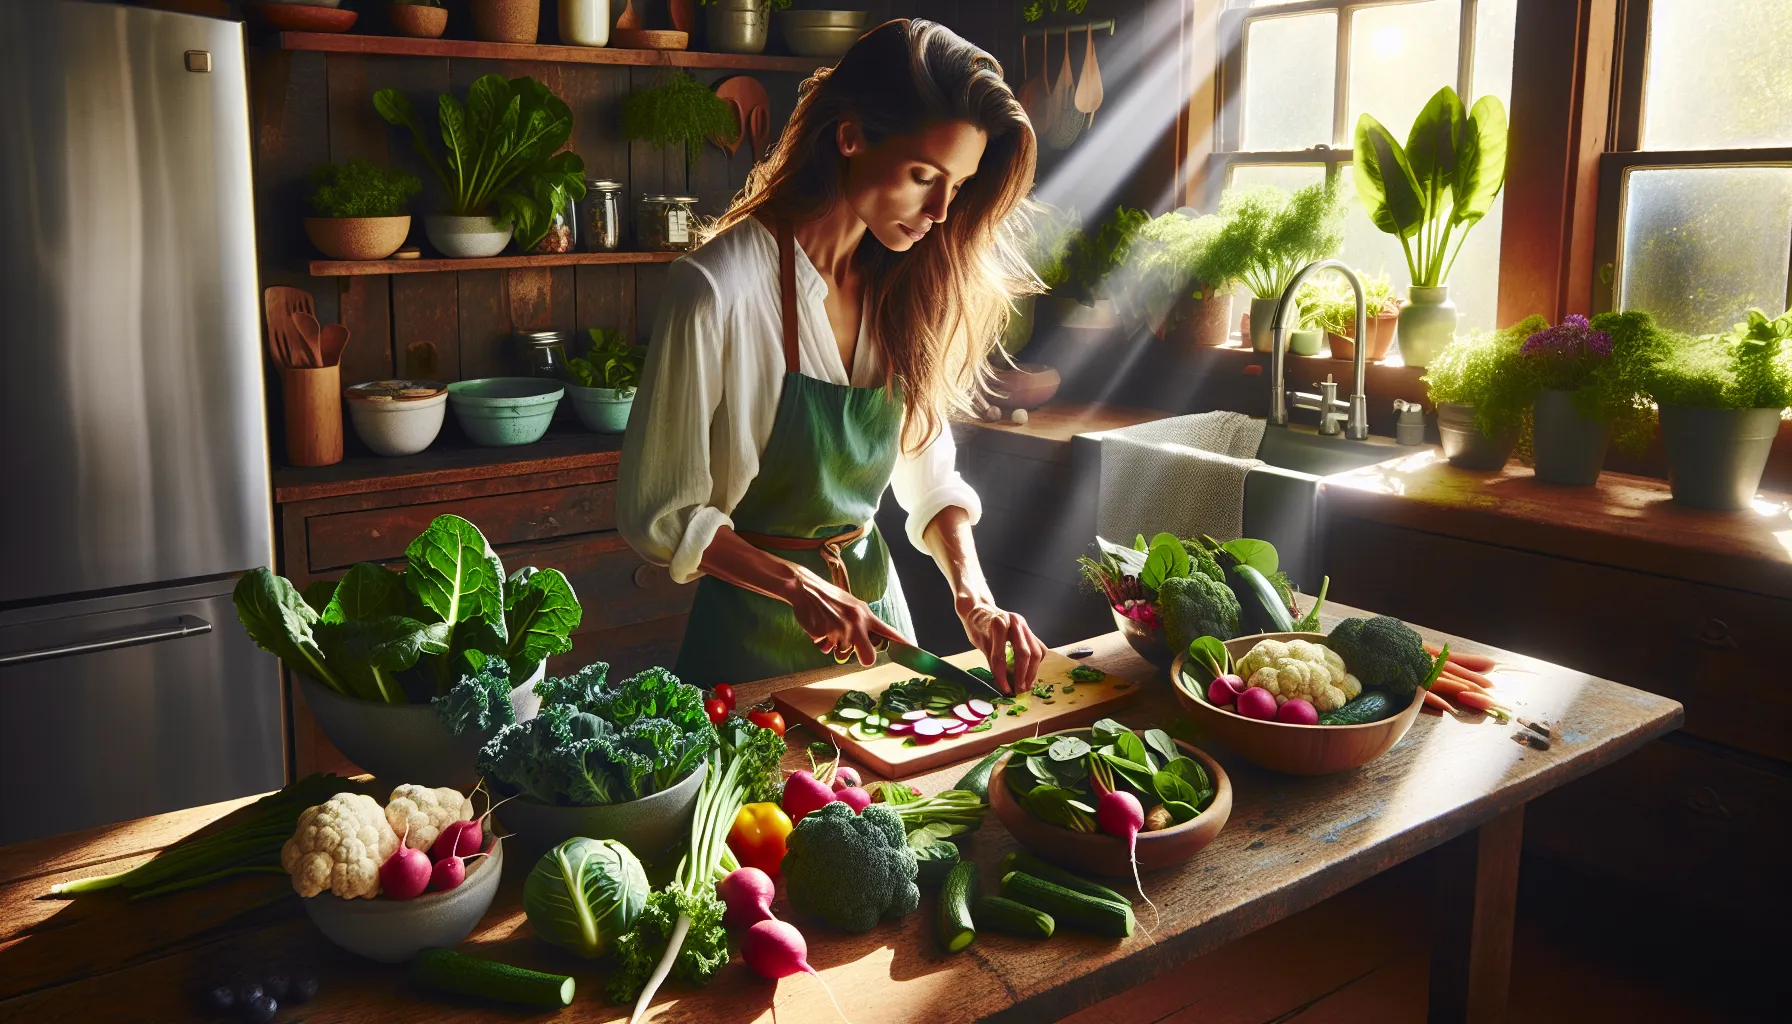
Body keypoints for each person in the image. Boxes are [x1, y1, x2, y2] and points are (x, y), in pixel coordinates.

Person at [618, 18, 1045, 695]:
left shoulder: (908, 287)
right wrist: (796, 584)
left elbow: (928, 476)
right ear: (850, 135)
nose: (939, 210)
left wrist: (975, 598)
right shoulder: (715, 289)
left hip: (880, 637)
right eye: (922, 175)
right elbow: (662, 514)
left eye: (958, 186)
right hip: (746, 658)